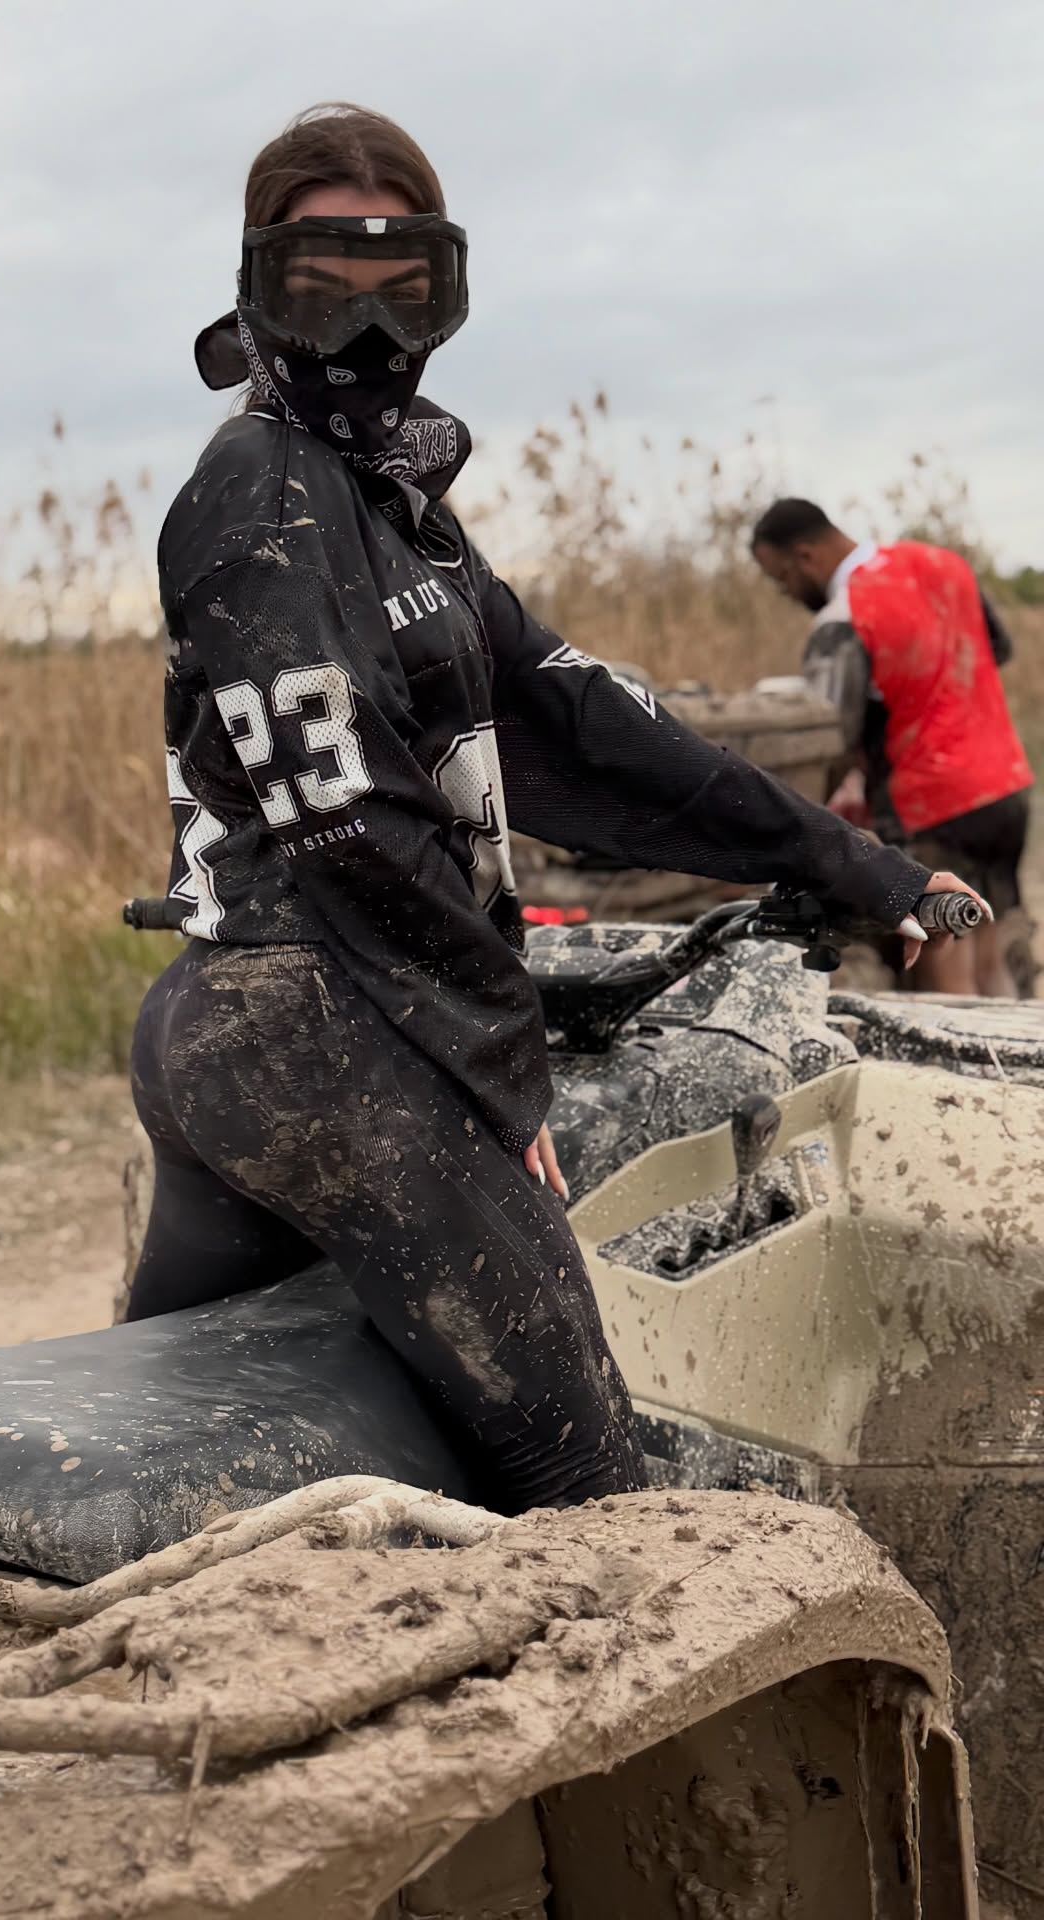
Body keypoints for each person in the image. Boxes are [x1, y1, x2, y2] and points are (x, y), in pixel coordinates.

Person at [127, 102, 979, 1517]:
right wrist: (497, 1055)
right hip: (312, 1027)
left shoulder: (398, 509)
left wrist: (853, 861)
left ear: (447, 297)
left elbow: (595, 729)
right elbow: (348, 820)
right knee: (591, 1490)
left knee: (174, 1447)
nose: (360, 337)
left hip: (264, 1032)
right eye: (316, 290)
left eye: (401, 291)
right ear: (255, 288)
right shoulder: (257, 492)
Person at [751, 498, 1030, 996]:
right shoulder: (942, 563)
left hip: (931, 803)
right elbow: (998, 648)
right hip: (1006, 786)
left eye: (781, 578)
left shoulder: (842, 617)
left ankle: (956, 1073)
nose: (787, 592)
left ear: (805, 557)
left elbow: (832, 733)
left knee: (947, 963)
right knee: (993, 948)